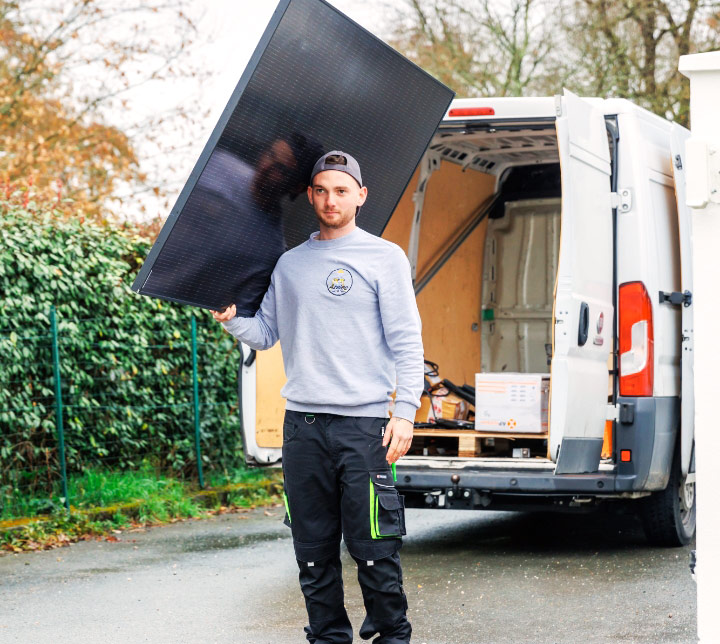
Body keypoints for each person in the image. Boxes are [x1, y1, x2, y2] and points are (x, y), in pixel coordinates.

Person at [213, 151, 423, 644]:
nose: (331, 200)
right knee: (312, 551)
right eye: (322, 190)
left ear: (360, 196)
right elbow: (265, 333)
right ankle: (328, 637)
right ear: (310, 196)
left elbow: (406, 341)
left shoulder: (385, 257)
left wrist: (405, 412)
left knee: (374, 548)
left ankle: (393, 636)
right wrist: (231, 320)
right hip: (303, 427)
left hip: (364, 428)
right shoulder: (289, 264)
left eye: (342, 190)